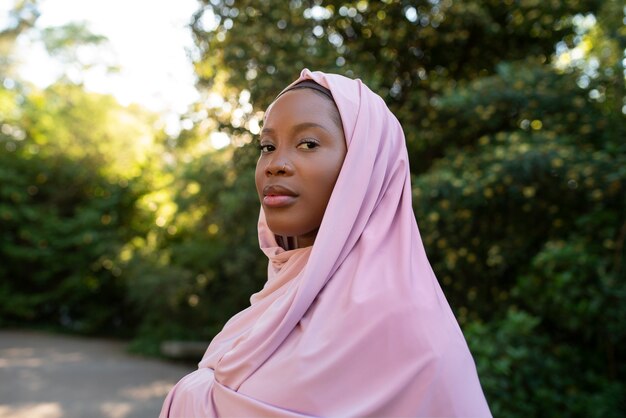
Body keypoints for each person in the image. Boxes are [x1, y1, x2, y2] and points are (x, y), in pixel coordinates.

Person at [160, 69, 491, 417]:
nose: (275, 165)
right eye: (267, 147)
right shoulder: (279, 298)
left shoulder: (412, 332)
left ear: (364, 167)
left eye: (308, 144)